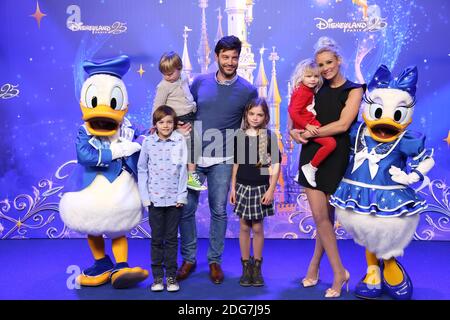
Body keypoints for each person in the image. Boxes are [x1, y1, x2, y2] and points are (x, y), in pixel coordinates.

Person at [176, 35, 258, 284]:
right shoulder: (199, 82)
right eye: (225, 57)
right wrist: (177, 128)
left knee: (219, 211)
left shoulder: (248, 90)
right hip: (193, 158)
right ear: (217, 57)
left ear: (239, 58)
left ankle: (215, 261)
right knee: (187, 208)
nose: (230, 62)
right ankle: (189, 259)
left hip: (224, 159)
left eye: (234, 57)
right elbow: (185, 112)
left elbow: (252, 124)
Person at [290, 37, 365, 298]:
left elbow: (343, 125)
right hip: (311, 156)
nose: (325, 68)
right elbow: (296, 117)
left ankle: (317, 268)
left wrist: (309, 133)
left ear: (339, 61)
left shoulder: (355, 89)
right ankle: (338, 272)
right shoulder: (314, 85)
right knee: (321, 219)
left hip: (336, 155)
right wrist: (294, 132)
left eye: (329, 62)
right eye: (320, 64)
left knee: (327, 220)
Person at [230, 97, 281, 287]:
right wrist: (233, 187)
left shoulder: (269, 137)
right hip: (242, 186)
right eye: (252, 114)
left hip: (260, 188)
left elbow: (275, 164)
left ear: (266, 116)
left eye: (259, 114)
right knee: (244, 227)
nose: (255, 117)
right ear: (246, 115)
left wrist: (271, 189)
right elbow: (236, 163)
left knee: (257, 227)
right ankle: (246, 266)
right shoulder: (240, 136)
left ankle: (257, 266)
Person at [138, 105, 188, 292]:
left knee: (172, 239)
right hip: (154, 200)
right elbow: (142, 169)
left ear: (174, 124)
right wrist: (145, 197)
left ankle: (172, 277)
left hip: (174, 200)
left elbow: (183, 169)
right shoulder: (149, 143)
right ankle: (158, 277)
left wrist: (182, 195)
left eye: (169, 122)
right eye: (161, 122)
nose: (165, 126)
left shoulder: (179, 141)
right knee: (157, 239)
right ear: (155, 124)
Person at [153, 51, 206, 191]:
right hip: (179, 119)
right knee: (189, 144)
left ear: (180, 69)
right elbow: (157, 106)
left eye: (170, 73)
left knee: (196, 144)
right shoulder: (163, 86)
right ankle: (189, 176)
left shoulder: (183, 77)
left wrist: (192, 105)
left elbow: (186, 95)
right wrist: (158, 124)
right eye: (164, 73)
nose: (167, 77)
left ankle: (191, 175)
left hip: (191, 114)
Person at [288, 58, 336, 188]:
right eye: (308, 76)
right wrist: (306, 126)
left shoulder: (306, 90)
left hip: (310, 122)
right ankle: (311, 167)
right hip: (307, 124)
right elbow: (293, 112)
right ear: (301, 76)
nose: (313, 79)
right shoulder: (303, 92)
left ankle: (301, 173)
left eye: (315, 76)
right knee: (330, 143)